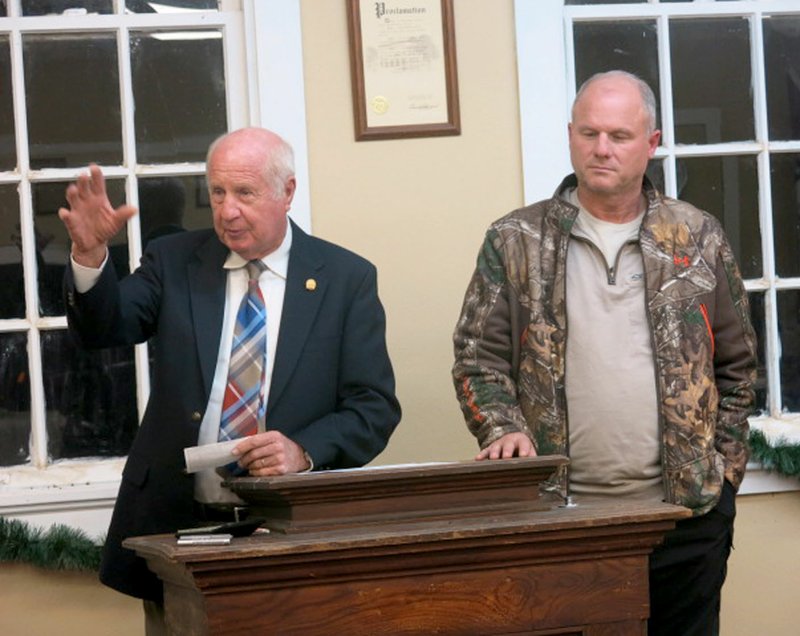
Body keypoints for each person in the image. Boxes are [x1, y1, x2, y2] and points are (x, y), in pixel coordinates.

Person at [452, 71, 756, 636]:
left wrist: (723, 475)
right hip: (560, 517)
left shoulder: (697, 237)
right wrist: (500, 427)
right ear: (570, 135)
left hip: (684, 516)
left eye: (619, 135)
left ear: (652, 142)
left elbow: (738, 369)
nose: (602, 149)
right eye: (589, 132)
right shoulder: (515, 239)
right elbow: (477, 358)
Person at [58, 127, 401, 616]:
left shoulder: (346, 279)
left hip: (288, 527)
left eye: (245, 192)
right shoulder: (175, 260)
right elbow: (105, 328)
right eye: (217, 192)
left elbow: (374, 407)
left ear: (287, 193)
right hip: (178, 525)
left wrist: (303, 451)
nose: (227, 210)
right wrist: (91, 256)